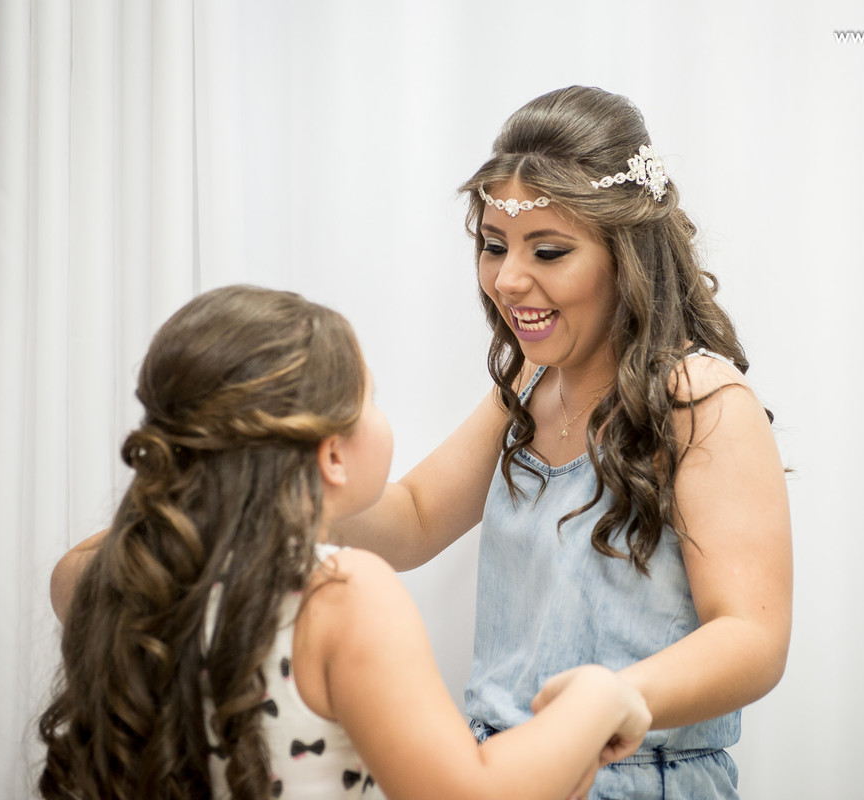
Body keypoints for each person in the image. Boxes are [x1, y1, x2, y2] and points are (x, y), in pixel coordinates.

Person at [330, 86, 793, 798]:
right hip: (499, 775)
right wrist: (295, 479)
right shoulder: (528, 383)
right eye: (493, 246)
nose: (509, 280)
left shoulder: (700, 400)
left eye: (548, 251)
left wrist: (615, 698)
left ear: (626, 255)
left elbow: (752, 638)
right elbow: (414, 520)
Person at [39, 285, 651, 800]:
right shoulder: (344, 595)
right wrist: (599, 698)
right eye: (370, 399)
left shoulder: (109, 577)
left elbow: (105, 555)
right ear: (332, 455)